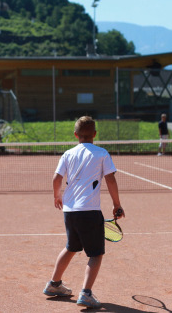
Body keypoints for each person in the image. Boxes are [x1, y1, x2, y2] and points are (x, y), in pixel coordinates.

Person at [43, 116, 125, 309]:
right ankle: (86, 293)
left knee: (71, 247)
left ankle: (54, 284)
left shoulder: (68, 154)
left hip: (70, 212)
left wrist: (57, 196)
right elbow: (111, 180)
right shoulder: (102, 153)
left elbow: (56, 178)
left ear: (75, 134)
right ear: (95, 134)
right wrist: (117, 204)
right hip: (89, 211)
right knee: (95, 254)